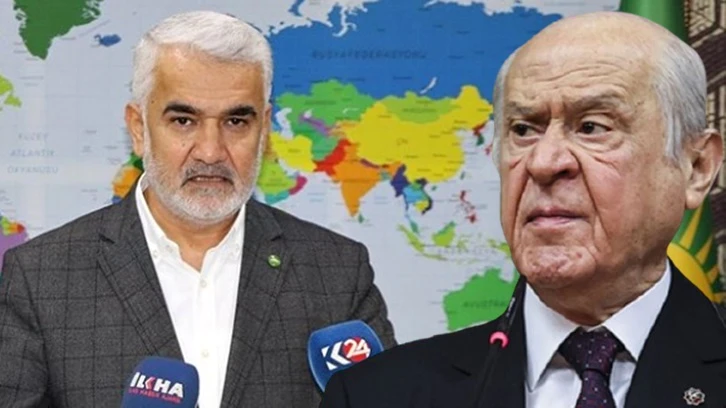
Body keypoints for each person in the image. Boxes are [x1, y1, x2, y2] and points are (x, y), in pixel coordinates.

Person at [320, 11, 726, 408]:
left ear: (696, 168)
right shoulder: (375, 395)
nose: (543, 162)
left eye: (592, 127)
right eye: (523, 130)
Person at [0, 11, 395, 408]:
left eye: (236, 121)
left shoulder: (337, 272)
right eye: (184, 120)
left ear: (264, 130)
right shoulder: (41, 278)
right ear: (139, 128)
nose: (210, 151)